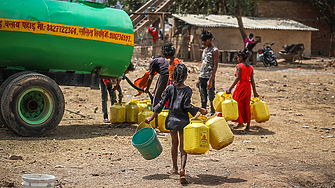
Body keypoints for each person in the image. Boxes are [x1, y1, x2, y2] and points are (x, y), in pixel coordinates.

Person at [145, 64, 208, 184]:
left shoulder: (169, 88)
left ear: (174, 75)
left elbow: (161, 104)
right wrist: (200, 109)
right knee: (183, 147)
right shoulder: (188, 90)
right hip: (183, 121)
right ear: (185, 77)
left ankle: (174, 168)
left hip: (172, 120)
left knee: (174, 143)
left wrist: (152, 117)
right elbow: (187, 106)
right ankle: (182, 169)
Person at [226, 49, 259, 131]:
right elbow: (252, 80)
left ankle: (240, 122)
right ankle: (248, 125)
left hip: (241, 86)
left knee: (237, 103)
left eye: (238, 57)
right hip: (247, 87)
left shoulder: (239, 66)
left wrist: (230, 88)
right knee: (246, 105)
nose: (237, 59)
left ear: (241, 57)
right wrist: (255, 92)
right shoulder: (251, 67)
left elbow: (237, 78)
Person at [196, 30, 219, 115]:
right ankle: (204, 113)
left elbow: (215, 66)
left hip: (209, 77)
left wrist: (210, 79)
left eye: (205, 40)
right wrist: (199, 78)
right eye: (203, 40)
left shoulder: (215, 50)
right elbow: (203, 65)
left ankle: (212, 113)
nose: (204, 42)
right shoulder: (205, 50)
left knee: (211, 96)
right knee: (203, 97)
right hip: (202, 76)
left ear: (210, 39)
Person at [161, 42, 180, 107]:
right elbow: (170, 75)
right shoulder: (170, 61)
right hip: (171, 82)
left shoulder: (175, 61)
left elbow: (179, 72)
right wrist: (167, 85)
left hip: (176, 83)